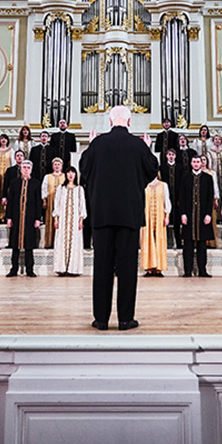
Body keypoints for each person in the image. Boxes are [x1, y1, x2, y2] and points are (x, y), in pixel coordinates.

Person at [80, 105, 159, 331]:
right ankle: (125, 319)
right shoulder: (138, 145)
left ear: (110, 121)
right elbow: (152, 170)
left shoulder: (98, 144)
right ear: (129, 121)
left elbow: (84, 170)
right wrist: (147, 148)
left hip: (102, 214)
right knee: (127, 269)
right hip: (129, 214)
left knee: (102, 267)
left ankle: (101, 319)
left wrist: (90, 144)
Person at [179, 155, 215, 278]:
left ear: (201, 163)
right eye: (193, 161)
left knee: (202, 245)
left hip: (202, 216)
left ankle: (202, 270)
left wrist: (208, 214)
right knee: (187, 245)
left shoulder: (208, 178)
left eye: (197, 162)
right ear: (191, 163)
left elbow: (210, 198)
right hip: (189, 215)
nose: (195, 164)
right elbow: (182, 197)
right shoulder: (185, 177)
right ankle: (187, 270)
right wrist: (183, 213)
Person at [5, 160, 43, 277]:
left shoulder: (36, 183)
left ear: (31, 170)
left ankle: (30, 269)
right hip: (16, 216)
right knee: (15, 244)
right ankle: (14, 269)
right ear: (20, 169)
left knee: (29, 245)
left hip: (30, 217)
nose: (26, 169)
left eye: (28, 167)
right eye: (24, 167)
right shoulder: (14, 183)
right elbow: (10, 201)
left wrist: (38, 218)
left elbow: (38, 202)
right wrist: (9, 217)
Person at [53, 166, 87, 276]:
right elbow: (57, 204)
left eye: (73, 172)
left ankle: (73, 269)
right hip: (63, 220)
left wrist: (81, 220)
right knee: (61, 241)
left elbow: (82, 205)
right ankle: (61, 268)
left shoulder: (79, 189)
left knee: (75, 242)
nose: (70, 175)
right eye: (68, 173)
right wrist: (56, 218)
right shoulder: (61, 189)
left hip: (75, 220)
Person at [141, 174, 171, 277]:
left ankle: (159, 268)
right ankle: (149, 267)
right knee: (147, 239)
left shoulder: (163, 185)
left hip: (159, 215)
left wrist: (167, 216)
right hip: (147, 216)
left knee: (159, 239)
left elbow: (166, 200)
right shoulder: (144, 185)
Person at [160, 148, 183, 249]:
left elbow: (182, 183)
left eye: (172, 155)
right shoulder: (162, 167)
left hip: (177, 197)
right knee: (165, 220)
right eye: (169, 154)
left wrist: (180, 198)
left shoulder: (180, 167)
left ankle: (178, 242)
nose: (171, 156)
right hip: (165, 196)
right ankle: (164, 243)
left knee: (177, 222)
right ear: (166, 156)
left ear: (175, 156)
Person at [41, 157, 66, 249]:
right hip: (51, 200)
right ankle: (49, 242)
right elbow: (44, 189)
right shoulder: (47, 177)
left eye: (58, 164)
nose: (57, 166)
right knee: (50, 220)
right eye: (55, 164)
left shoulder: (64, 176)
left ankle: (60, 243)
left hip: (62, 201)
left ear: (62, 166)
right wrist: (44, 200)